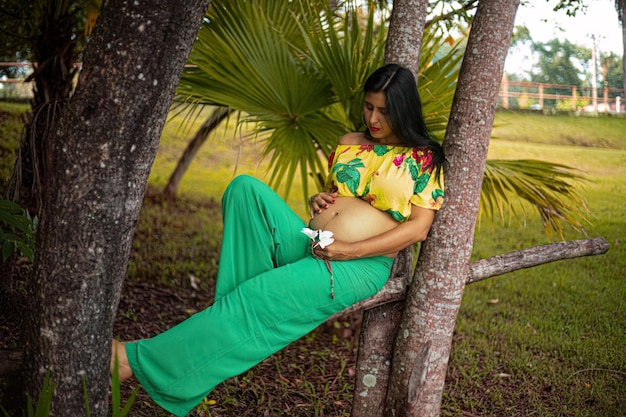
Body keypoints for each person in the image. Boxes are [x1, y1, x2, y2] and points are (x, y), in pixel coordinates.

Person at [111, 63, 446, 417]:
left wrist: (350, 249)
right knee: (245, 190)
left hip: (357, 263)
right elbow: (341, 197)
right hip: (312, 239)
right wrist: (319, 201)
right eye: (368, 106)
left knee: (253, 299)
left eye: (384, 110)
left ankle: (132, 360)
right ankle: (234, 321)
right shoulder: (350, 142)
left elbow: (417, 230)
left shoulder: (425, 159)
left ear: (404, 109)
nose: (373, 118)